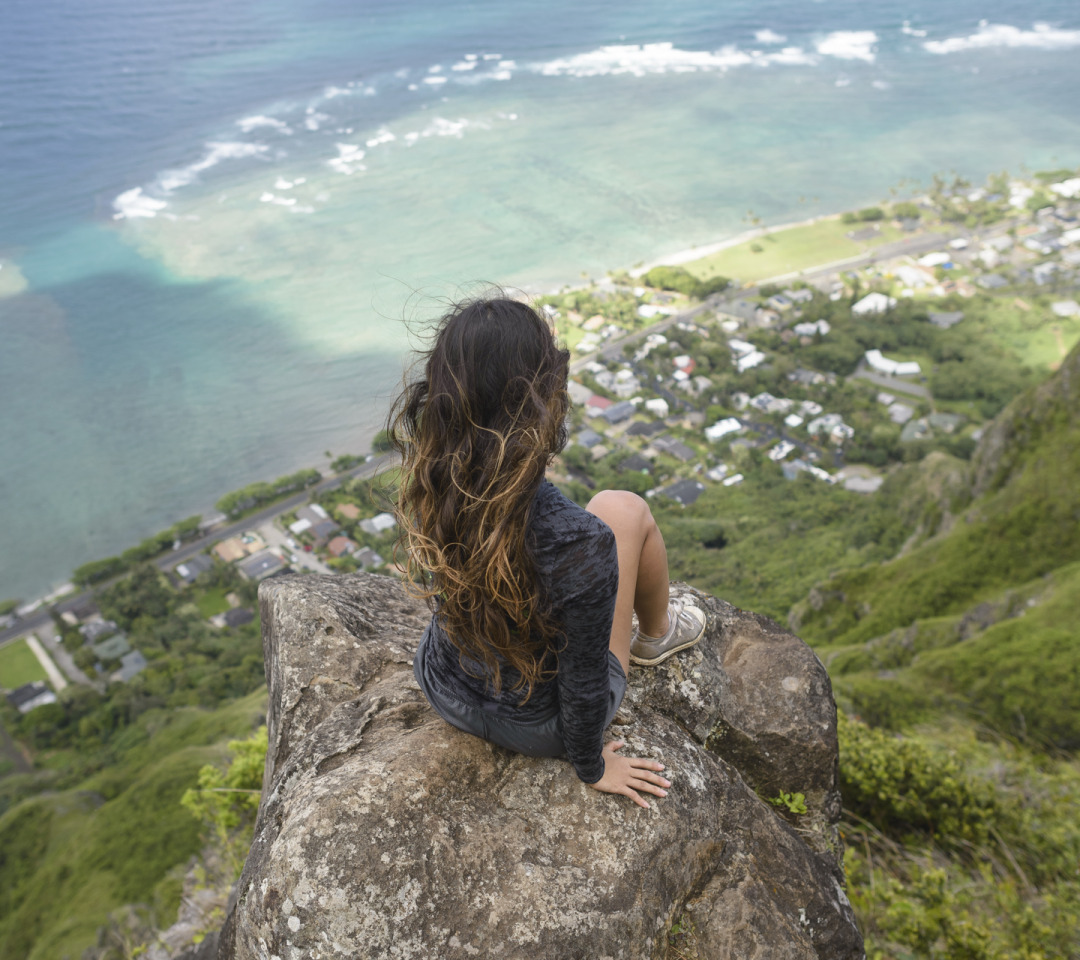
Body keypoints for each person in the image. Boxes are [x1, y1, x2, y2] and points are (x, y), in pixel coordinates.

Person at [388, 295, 706, 809]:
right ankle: (656, 635)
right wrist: (592, 765)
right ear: (543, 398)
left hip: (444, 689)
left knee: (601, 516)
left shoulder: (433, 480)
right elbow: (581, 684)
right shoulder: (579, 542)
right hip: (539, 726)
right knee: (622, 508)